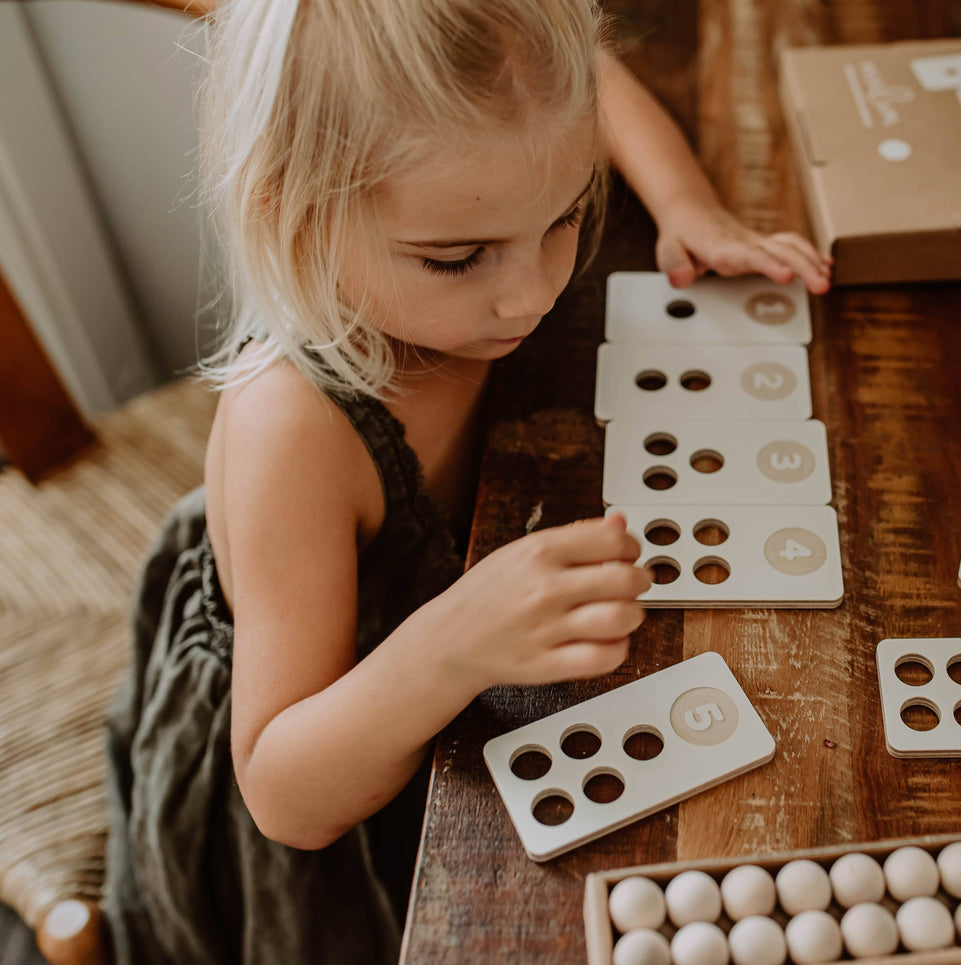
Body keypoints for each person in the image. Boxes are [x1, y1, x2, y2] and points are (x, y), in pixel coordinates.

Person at [102, 1, 832, 962]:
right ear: (293, 211)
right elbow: (284, 792)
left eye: (565, 216)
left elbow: (595, 87)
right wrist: (456, 641)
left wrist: (685, 202)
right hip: (346, 802)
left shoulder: (501, 179)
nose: (530, 292)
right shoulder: (293, 429)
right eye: (456, 258)